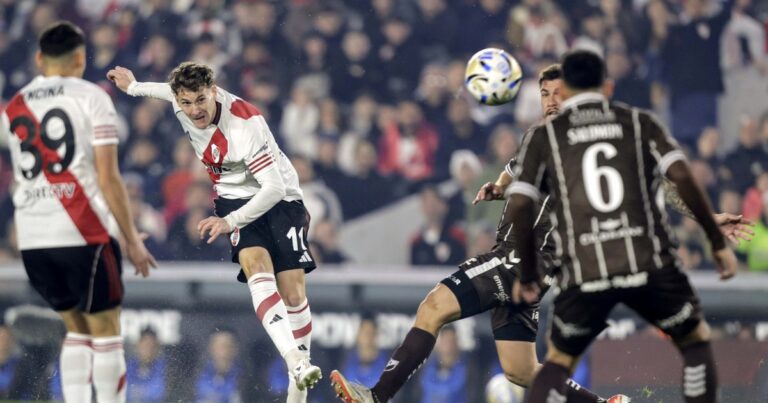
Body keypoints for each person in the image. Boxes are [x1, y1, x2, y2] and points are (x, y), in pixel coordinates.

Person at [330, 65, 627, 403]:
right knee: (520, 368)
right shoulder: (539, 134)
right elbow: (516, 167)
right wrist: (499, 187)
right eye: (545, 94)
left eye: (560, 93)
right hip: (530, 268)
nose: (551, 101)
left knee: (433, 307)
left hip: (517, 257)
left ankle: (376, 397)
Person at [508, 50, 738, 403]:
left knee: (555, 365)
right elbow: (679, 176)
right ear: (608, 86)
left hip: (586, 271)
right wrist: (713, 235)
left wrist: (526, 275)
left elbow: (520, 205)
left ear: (565, 90)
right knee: (694, 342)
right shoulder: (638, 123)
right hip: (647, 264)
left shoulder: (544, 138)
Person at [107, 62, 321, 399]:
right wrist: (133, 87)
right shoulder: (182, 101)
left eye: (200, 101)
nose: (194, 110)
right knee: (256, 268)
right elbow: (165, 91)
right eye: (186, 102)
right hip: (234, 199)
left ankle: (300, 387)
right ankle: (295, 360)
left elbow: (274, 188)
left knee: (293, 292)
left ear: (214, 91)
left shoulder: (245, 124)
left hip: (280, 197)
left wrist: (229, 222)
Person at [0, 21, 157, 403]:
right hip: (82, 232)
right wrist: (132, 239)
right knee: (106, 330)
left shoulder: (14, 106)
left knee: (75, 328)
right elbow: (108, 177)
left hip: (34, 240)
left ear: (39, 59)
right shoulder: (92, 97)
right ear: (80, 60)